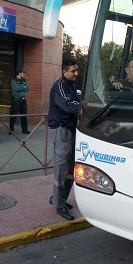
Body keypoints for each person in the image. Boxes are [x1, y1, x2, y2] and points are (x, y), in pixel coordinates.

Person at [48, 60, 81, 221]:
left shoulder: (71, 86)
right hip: (61, 130)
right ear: (64, 72)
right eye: (73, 71)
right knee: (62, 168)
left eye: (76, 70)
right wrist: (85, 106)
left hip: (70, 130)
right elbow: (68, 106)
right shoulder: (60, 86)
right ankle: (59, 205)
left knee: (70, 169)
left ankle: (59, 198)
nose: (76, 73)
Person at [9, 69, 30, 135]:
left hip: (23, 100)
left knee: (24, 116)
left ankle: (25, 129)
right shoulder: (13, 80)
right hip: (16, 100)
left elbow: (27, 88)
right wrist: (23, 87)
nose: (24, 74)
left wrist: (21, 87)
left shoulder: (24, 80)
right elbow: (15, 89)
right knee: (13, 116)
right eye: (23, 73)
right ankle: (11, 130)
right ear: (19, 73)